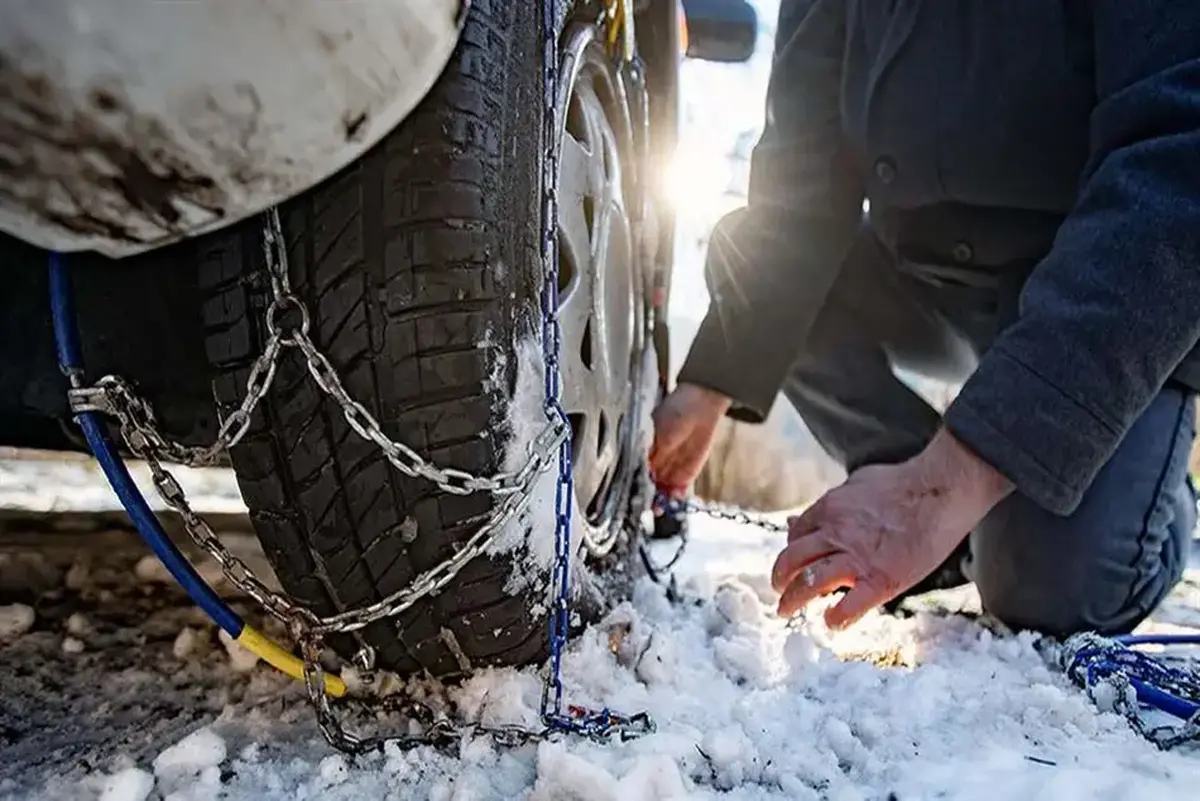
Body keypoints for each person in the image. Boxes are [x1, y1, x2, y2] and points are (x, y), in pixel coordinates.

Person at [649, 0, 1200, 637]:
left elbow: (1179, 160)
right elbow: (798, 186)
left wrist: (947, 483)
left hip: (1096, 295)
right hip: (923, 283)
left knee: (1049, 592)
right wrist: (714, 377)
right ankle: (917, 501)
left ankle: (1150, 493)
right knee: (748, 251)